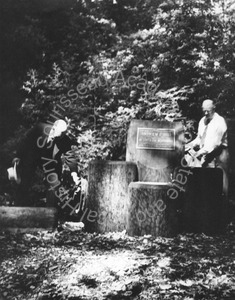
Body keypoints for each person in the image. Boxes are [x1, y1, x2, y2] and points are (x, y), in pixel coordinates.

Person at [7, 120, 83, 210]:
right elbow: (25, 142)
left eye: (64, 133)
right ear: (53, 128)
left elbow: (70, 156)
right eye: (61, 133)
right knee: (24, 180)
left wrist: (74, 173)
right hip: (33, 157)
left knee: (54, 184)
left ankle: (50, 212)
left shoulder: (64, 139)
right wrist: (17, 156)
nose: (62, 136)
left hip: (50, 162)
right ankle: (19, 208)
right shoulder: (39, 129)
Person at [186, 99, 229, 197]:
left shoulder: (219, 122)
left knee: (220, 187)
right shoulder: (203, 121)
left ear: (214, 108)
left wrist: (198, 153)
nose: (205, 113)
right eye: (204, 111)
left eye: (208, 111)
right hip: (206, 155)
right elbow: (199, 139)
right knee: (207, 185)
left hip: (218, 155)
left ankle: (222, 208)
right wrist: (188, 146)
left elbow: (214, 144)